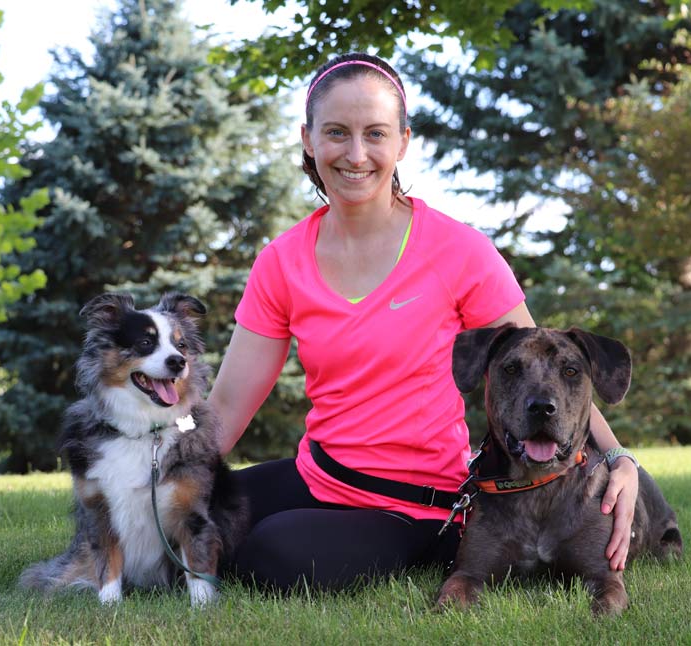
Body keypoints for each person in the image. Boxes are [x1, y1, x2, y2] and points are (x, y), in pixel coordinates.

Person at [208, 52, 639, 591]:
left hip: (418, 503)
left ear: (403, 142)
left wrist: (618, 458)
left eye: (376, 134)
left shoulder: (458, 249)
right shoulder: (281, 260)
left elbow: (544, 366)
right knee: (195, 510)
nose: (356, 153)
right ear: (307, 138)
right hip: (321, 476)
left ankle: (422, 549)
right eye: (337, 132)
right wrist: (153, 478)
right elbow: (225, 408)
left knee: (270, 554)